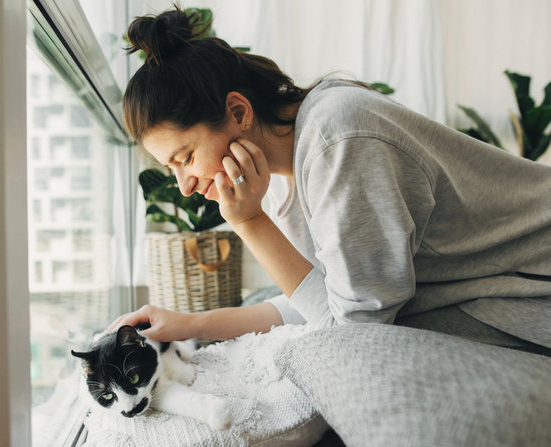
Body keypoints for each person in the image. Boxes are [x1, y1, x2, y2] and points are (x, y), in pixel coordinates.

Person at [109, 6, 551, 353]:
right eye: (172, 168)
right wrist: (192, 325)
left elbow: (354, 332)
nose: (185, 185)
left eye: (185, 158)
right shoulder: (282, 170)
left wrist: (249, 223)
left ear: (239, 112)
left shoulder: (337, 140)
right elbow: (323, 297)